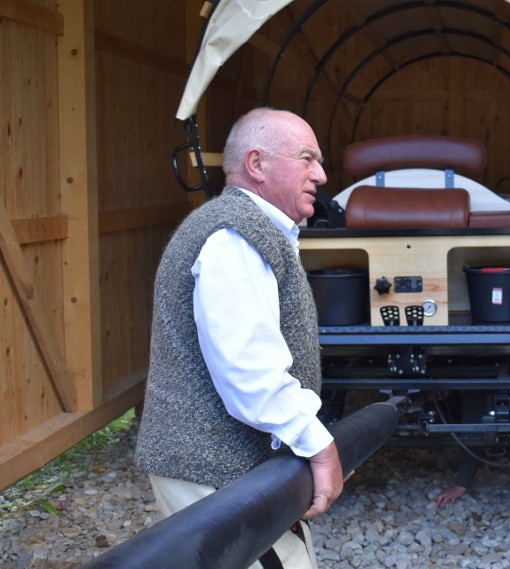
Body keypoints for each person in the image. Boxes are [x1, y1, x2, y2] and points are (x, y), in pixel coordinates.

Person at [135, 108, 342, 569]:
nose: (321, 175)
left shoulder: (250, 229)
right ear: (257, 164)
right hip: (211, 468)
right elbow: (250, 371)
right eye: (307, 159)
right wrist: (320, 446)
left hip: (227, 465)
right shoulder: (233, 237)